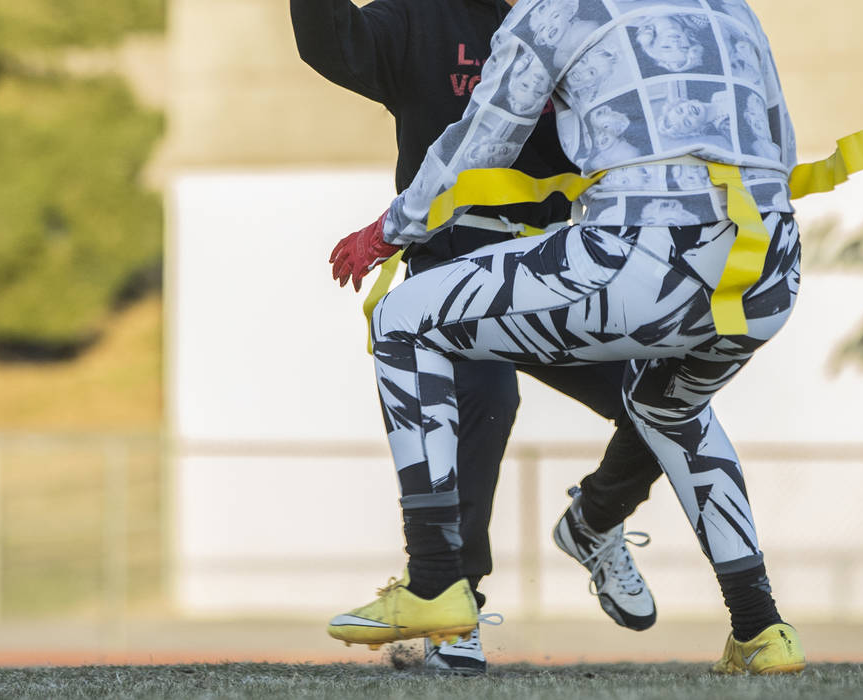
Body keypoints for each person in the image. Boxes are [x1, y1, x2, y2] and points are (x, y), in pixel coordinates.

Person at [328, 0, 808, 675]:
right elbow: (778, 143)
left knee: (403, 320)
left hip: (644, 251)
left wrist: (387, 232)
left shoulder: (555, 9)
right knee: (671, 407)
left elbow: (481, 141)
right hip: (769, 268)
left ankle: (436, 581)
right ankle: (761, 629)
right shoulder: (729, 6)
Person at [291, 0, 665, 676]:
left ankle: (594, 522)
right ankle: (454, 609)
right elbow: (332, 43)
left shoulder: (571, 19)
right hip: (457, 262)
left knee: (668, 399)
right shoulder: (417, 18)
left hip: (558, 263)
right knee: (483, 402)